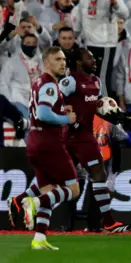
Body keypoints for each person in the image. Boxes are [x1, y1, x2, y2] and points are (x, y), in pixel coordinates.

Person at [58, 48, 131, 233]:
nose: (94, 61)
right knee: (59, 180)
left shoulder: (96, 82)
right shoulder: (69, 82)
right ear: (78, 62)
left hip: (86, 138)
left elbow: (98, 108)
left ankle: (108, 222)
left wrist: (119, 118)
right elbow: (52, 102)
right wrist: (67, 115)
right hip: (69, 137)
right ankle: (25, 200)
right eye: (89, 58)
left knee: (98, 175)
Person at [20, 47, 79, 250]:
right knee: (73, 190)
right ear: (47, 62)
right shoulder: (50, 85)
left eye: (64, 59)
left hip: (35, 142)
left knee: (49, 191)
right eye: (57, 59)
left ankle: (39, 238)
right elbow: (44, 114)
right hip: (49, 144)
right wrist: (66, 118)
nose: (63, 63)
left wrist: (61, 110)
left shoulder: (38, 82)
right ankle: (34, 202)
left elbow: (40, 112)